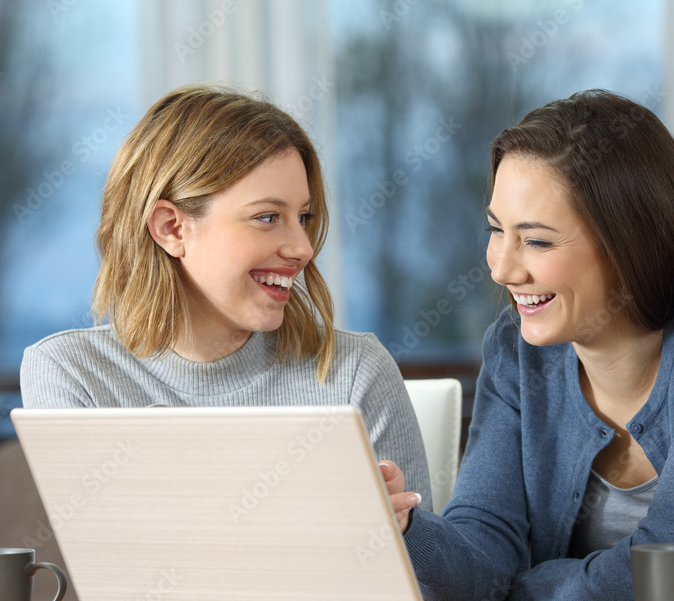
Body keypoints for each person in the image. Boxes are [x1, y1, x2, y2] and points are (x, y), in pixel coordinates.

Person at [381, 89, 674, 601]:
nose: (502, 269)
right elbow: (481, 563)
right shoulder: (515, 351)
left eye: (538, 242)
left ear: (628, 242)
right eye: (496, 230)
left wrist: (525, 587)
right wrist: (405, 525)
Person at [21, 83, 431, 510]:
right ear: (172, 229)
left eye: (303, 217)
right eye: (268, 217)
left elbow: (427, 577)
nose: (303, 248)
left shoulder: (355, 373)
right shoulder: (73, 377)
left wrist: (400, 536)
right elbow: (111, 568)